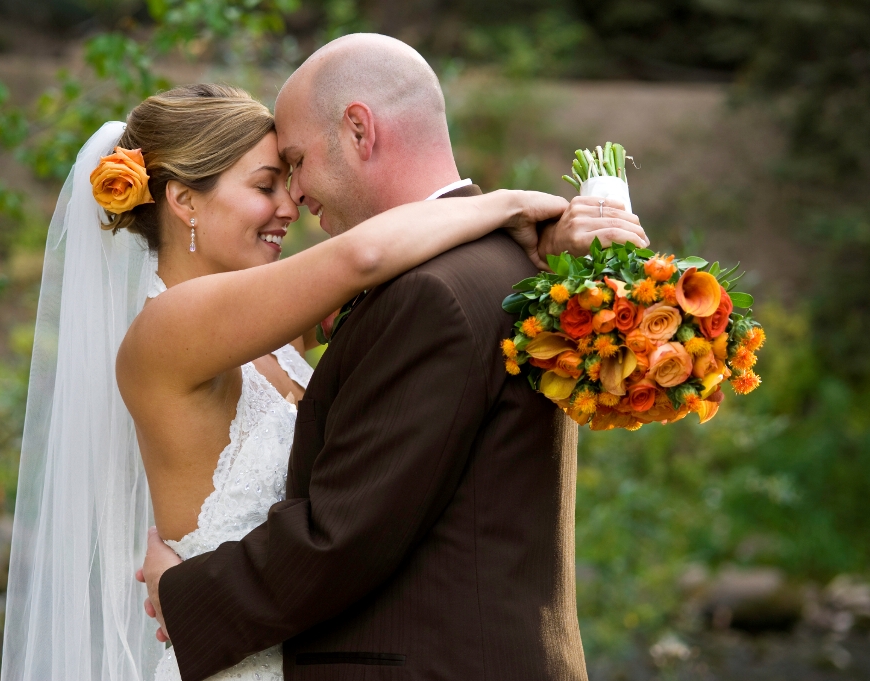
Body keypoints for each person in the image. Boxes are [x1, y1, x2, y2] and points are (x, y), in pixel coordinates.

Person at [137, 35, 647, 681]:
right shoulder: (488, 265)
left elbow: (344, 536)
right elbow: (353, 268)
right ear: (182, 200)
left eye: (292, 165)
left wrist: (186, 598)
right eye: (269, 181)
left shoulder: (431, 290)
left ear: (358, 128)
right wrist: (512, 209)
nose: (293, 200)